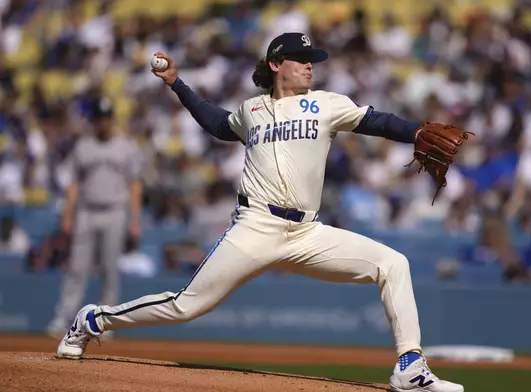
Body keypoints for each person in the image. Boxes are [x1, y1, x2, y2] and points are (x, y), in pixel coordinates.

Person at [55, 33, 464, 392]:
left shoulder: (325, 105)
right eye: (302, 59)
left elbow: (376, 121)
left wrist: (414, 132)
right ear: (275, 64)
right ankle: (93, 319)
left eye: (313, 60)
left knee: (393, 264)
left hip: (307, 233)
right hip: (255, 226)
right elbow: (217, 124)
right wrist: (177, 84)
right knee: (186, 306)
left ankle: (410, 366)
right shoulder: (252, 111)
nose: (310, 65)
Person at [46, 97, 143, 337]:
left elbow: (135, 185)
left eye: (107, 118)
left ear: (112, 120)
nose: (103, 123)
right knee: (77, 268)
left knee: (109, 269)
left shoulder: (125, 146)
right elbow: (74, 185)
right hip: (86, 212)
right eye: (99, 119)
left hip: (114, 211)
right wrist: (67, 216)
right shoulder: (83, 146)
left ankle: (104, 322)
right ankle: (64, 318)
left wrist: (134, 219)